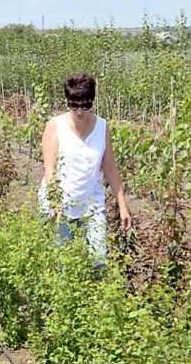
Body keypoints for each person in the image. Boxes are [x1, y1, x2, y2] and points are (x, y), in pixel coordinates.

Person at [39, 72, 131, 265]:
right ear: (67, 102)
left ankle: (95, 294)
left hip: (92, 205)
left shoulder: (102, 127)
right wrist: (55, 202)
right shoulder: (55, 127)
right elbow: (50, 170)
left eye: (85, 105)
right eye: (74, 105)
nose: (80, 111)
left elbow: (110, 169)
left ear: (93, 102)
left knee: (98, 262)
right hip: (61, 206)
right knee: (63, 264)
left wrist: (123, 206)